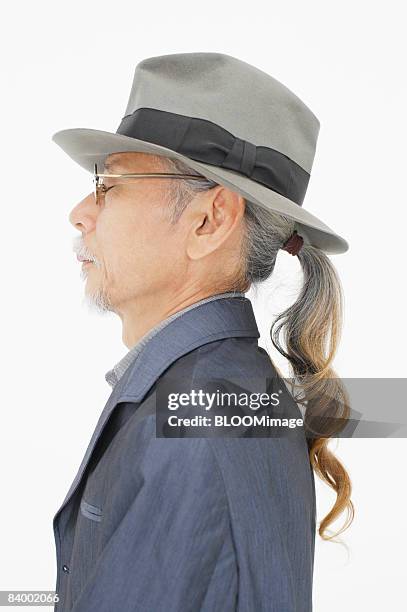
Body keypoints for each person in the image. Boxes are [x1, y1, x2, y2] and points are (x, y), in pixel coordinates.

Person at [51, 52, 353, 611]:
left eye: (109, 185)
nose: (79, 212)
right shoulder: (221, 394)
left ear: (209, 221)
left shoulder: (196, 422)